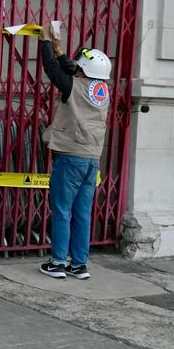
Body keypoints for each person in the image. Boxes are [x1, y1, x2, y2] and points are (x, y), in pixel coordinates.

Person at [38, 23, 113, 280]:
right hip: (92, 159)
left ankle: (58, 262)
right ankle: (79, 265)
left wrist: (46, 42)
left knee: (61, 210)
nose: (77, 67)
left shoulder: (73, 87)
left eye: (81, 66)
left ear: (84, 70)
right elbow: (72, 70)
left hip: (70, 157)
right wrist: (61, 52)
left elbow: (53, 71)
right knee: (82, 213)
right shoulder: (102, 91)